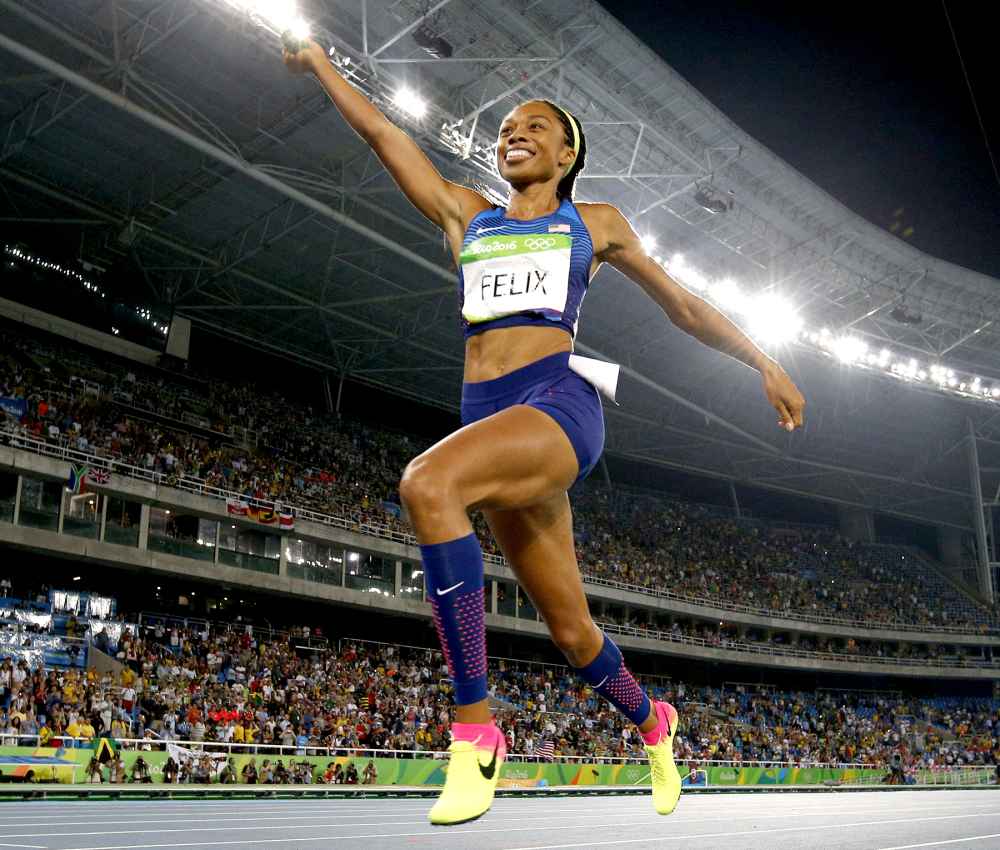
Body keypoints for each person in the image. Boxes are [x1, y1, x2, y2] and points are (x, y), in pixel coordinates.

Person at [282, 36, 805, 827]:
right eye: (505, 128)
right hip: (488, 422)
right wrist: (321, 62)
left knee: (427, 483)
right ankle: (653, 724)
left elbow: (685, 306)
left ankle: (475, 731)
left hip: (558, 404)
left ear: (566, 153)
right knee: (568, 628)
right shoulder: (469, 215)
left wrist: (762, 360)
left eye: (533, 126)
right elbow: (385, 135)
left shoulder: (592, 224)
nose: (512, 133)